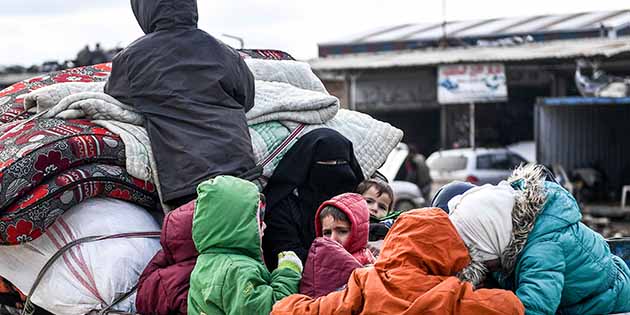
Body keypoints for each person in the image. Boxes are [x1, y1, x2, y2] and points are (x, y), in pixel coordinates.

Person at [105, 0, 257, 208]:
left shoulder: (132, 59)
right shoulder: (227, 53)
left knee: (200, 238)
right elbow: (247, 99)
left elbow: (115, 96)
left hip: (187, 180)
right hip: (242, 171)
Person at [448, 164, 630, 315]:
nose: (484, 266)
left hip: (606, 300)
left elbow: (535, 308)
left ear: (494, 239)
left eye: (483, 259)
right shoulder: (507, 236)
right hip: (572, 301)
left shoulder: (543, 248)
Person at [271, 208, 525, 315]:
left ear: (395, 240)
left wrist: (287, 303)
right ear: (448, 250)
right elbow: (512, 307)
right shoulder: (452, 294)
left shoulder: (365, 281)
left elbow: (311, 310)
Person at [188, 176, 302, 315]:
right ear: (239, 225)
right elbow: (272, 310)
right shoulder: (237, 269)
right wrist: (288, 270)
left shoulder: (205, 264)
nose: (264, 226)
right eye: (258, 222)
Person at [262, 128, 364, 269]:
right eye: (327, 163)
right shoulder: (282, 210)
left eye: (341, 162)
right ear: (306, 166)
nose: (337, 169)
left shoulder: (357, 205)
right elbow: (288, 257)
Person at [299, 193, 373, 298]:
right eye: (327, 233)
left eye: (342, 231)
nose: (333, 239)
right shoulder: (318, 260)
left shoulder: (365, 264)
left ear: (359, 232)